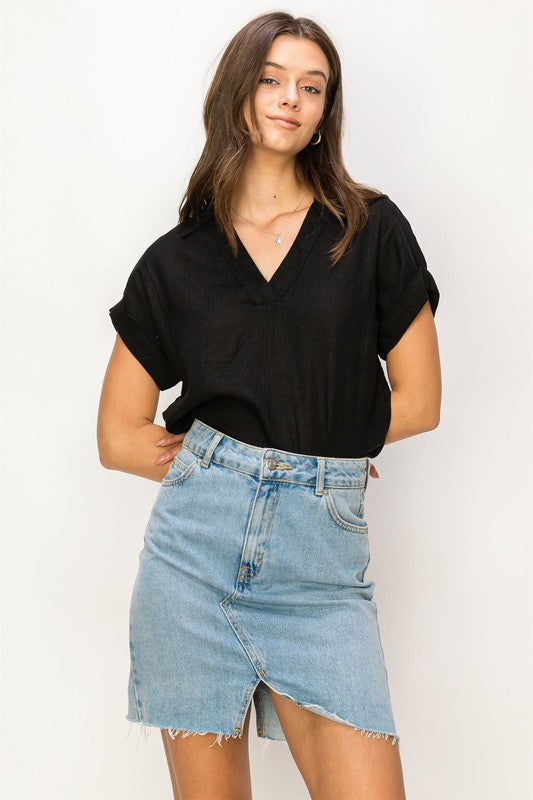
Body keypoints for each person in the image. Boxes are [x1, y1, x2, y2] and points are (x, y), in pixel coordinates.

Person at [97, 11, 441, 800]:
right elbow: (117, 435)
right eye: (271, 79)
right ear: (237, 94)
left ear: (326, 110)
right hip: (190, 563)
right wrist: (230, 468)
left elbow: (419, 400)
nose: (290, 99)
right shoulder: (176, 260)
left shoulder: (368, 229)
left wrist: (319, 446)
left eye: (311, 87)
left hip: (319, 572)